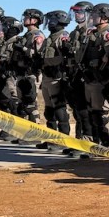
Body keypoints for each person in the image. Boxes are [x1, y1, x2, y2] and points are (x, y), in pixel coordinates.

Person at [81, 3, 109, 148]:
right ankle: (97, 142)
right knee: (93, 112)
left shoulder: (108, 33)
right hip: (90, 78)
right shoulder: (93, 34)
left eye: (95, 15)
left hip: (101, 78)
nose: (92, 18)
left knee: (101, 112)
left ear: (104, 17)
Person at [39, 10, 72, 148]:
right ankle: (51, 139)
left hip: (57, 77)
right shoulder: (49, 38)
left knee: (59, 109)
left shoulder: (62, 37)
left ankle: (63, 139)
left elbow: (66, 57)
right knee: (49, 111)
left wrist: (51, 63)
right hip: (47, 77)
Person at [10, 9, 46, 131]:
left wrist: (23, 49)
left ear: (34, 20)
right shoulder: (26, 35)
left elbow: (38, 54)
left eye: (26, 17)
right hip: (22, 73)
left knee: (30, 103)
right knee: (23, 104)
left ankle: (35, 131)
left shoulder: (37, 35)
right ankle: (25, 131)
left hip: (31, 73)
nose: (24, 19)